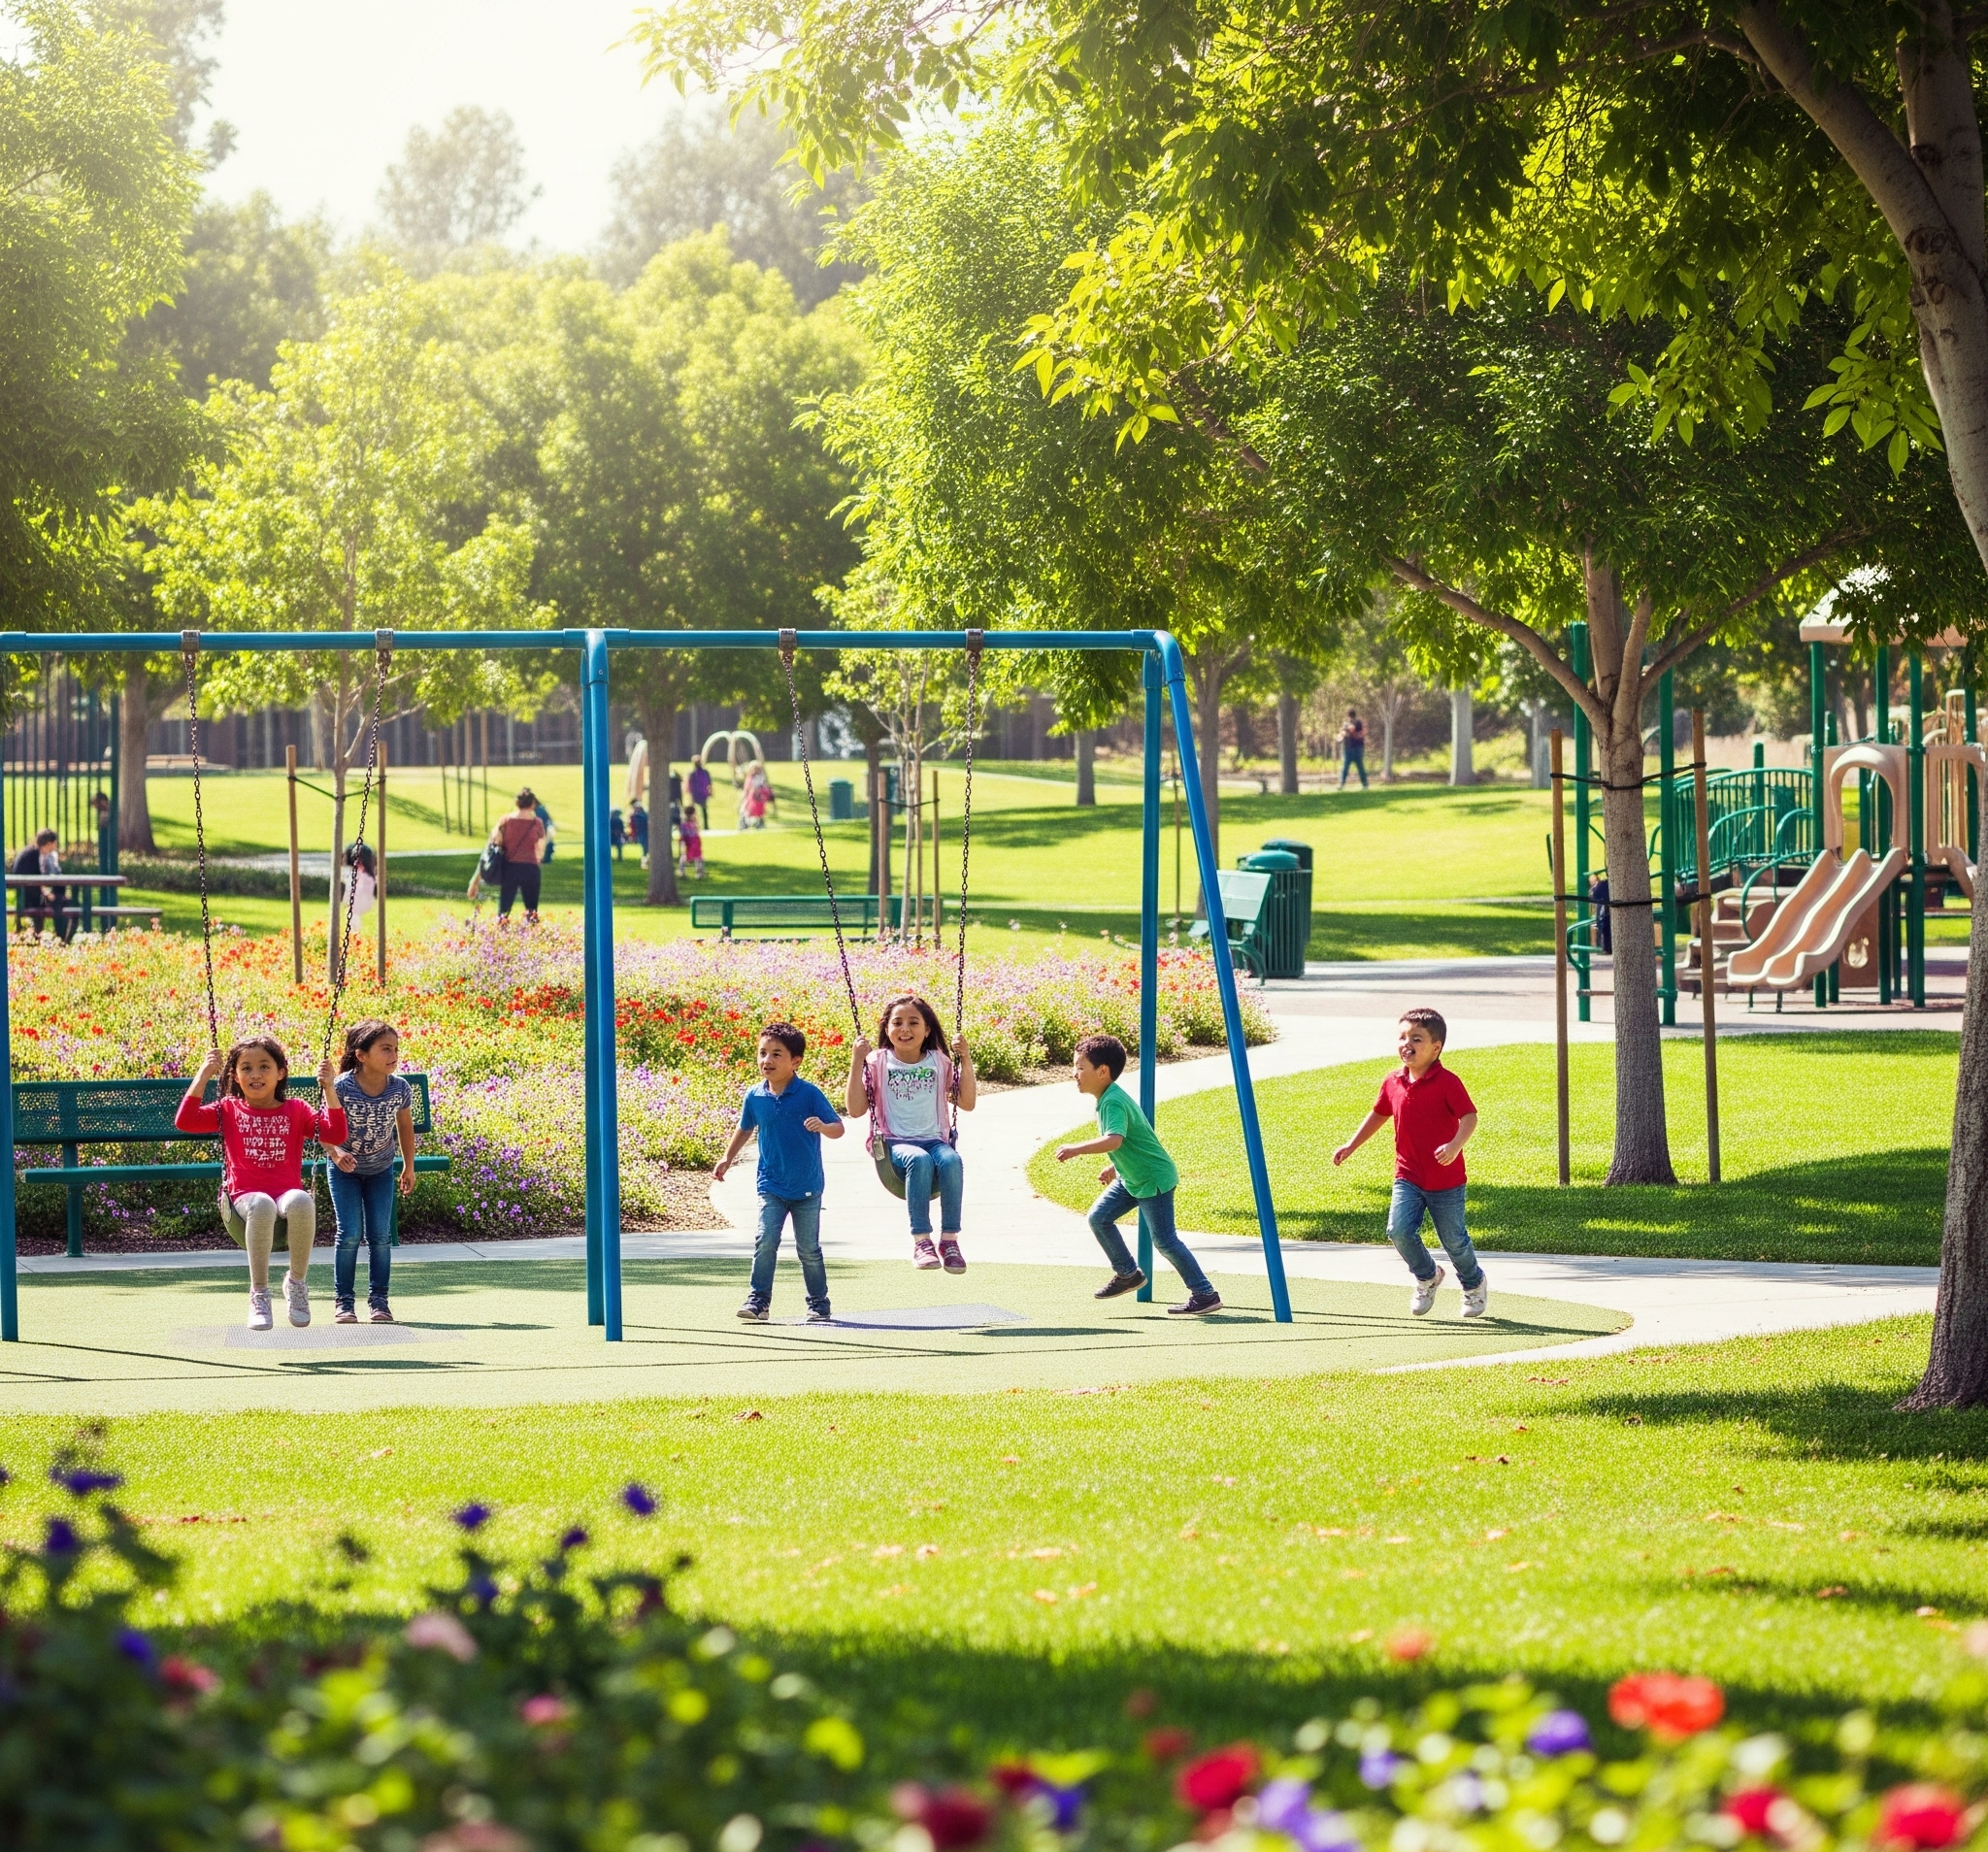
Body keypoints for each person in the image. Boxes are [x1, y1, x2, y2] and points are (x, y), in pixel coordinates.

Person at [175, 1034, 347, 1332]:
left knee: (302, 1200)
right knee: (262, 1204)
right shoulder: (228, 1109)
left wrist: (330, 1088)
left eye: (264, 1066)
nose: (256, 1074)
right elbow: (185, 1121)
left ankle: (296, 1284)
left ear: (280, 1073)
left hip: (285, 1195)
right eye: (247, 1068)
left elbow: (335, 1134)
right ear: (236, 1076)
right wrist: (204, 1073)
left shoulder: (296, 1110)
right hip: (244, 1199)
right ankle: (259, 1293)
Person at [1331, 1007, 1487, 1318]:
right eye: (1402, 1037)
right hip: (1408, 1176)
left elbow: (1469, 1117)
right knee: (1399, 1231)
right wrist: (1352, 1144)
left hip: (1446, 1180)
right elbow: (1379, 1113)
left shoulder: (1447, 1082)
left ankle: (1473, 1284)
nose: (1407, 1044)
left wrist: (1455, 1145)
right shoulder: (1393, 1082)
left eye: (1416, 1038)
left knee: (1454, 1240)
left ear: (1436, 1047)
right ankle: (1428, 1275)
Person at [1056, 1033, 1222, 1315]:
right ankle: (1128, 1274)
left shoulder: (1112, 1102)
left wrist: (1076, 1149)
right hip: (1132, 1176)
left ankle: (1205, 1294)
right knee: (1099, 1217)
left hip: (1151, 1178)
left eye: (1080, 1067)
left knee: (1165, 1241)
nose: (1075, 1074)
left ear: (1103, 1071)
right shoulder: (1109, 1098)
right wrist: (1115, 1165)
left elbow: (1115, 1139)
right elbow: (1132, 1140)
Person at [715, 1021, 845, 1323]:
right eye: (762, 1053)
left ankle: (818, 1302)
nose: (767, 1061)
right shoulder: (755, 1096)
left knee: (808, 1249)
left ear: (795, 1061)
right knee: (765, 1239)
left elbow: (838, 1128)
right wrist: (726, 1158)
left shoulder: (809, 1094)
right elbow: (745, 1127)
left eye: (776, 1054)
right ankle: (759, 1301)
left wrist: (822, 1126)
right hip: (770, 1185)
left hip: (807, 1188)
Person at [845, 993, 976, 1273]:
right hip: (894, 1141)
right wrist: (857, 1061)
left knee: (952, 1160)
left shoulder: (939, 1062)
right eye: (898, 1022)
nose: (905, 1029)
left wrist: (965, 1057)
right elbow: (855, 1110)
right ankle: (922, 1241)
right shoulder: (878, 1061)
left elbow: (966, 1102)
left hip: (934, 1139)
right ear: (887, 1029)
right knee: (918, 1159)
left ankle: (950, 1241)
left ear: (926, 1030)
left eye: (913, 1022)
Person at [322, 1017, 416, 1325]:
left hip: (381, 1169)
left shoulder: (399, 1088)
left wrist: (408, 1166)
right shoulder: (341, 1087)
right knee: (349, 1233)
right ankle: (344, 1303)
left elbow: (404, 1128)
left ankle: (380, 1302)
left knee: (380, 1236)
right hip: (345, 1170)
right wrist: (337, 1154)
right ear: (361, 1055)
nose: (393, 1055)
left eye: (395, 1049)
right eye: (385, 1049)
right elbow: (324, 1130)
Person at [491, 789, 547, 922]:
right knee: (532, 909)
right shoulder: (537, 823)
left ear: (517, 803)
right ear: (532, 804)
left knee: (504, 907)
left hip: (510, 867)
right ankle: (532, 934)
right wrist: (538, 857)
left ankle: (500, 933)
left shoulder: (506, 820)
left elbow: (496, 840)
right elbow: (541, 847)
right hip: (530, 868)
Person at [13, 829, 71, 942]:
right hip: (29, 897)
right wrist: (46, 894)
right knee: (61, 902)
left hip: (31, 895)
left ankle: (59, 936)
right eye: (55, 843)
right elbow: (31, 881)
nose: (55, 846)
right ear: (49, 843)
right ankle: (62, 937)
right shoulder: (32, 855)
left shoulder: (36, 853)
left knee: (61, 901)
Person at [1339, 709, 1369, 789]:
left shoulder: (1357, 723)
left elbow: (1353, 729)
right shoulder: (1347, 724)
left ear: (1348, 715)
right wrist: (1342, 734)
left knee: (1353, 767)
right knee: (1347, 767)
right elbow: (1342, 732)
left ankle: (1364, 785)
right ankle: (1364, 785)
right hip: (1352, 748)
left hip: (1354, 748)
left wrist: (1348, 731)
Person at [678, 800, 705, 877]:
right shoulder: (685, 824)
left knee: (698, 857)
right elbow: (684, 834)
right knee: (687, 856)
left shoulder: (693, 823)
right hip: (690, 842)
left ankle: (699, 871)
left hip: (695, 842)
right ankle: (682, 870)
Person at [687, 754, 712, 831]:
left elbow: (709, 783)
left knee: (703, 810)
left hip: (700, 793)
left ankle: (705, 826)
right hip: (698, 793)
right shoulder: (694, 773)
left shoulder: (702, 773)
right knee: (695, 811)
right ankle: (693, 825)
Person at [534, 796, 557, 862]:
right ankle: (546, 858)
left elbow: (541, 821)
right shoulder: (541, 808)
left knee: (546, 844)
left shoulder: (538, 810)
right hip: (549, 828)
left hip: (546, 828)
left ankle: (545, 858)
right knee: (548, 843)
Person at [629, 798, 649, 866]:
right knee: (645, 847)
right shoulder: (638, 816)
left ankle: (645, 860)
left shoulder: (639, 816)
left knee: (645, 847)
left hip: (644, 833)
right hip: (642, 833)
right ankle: (644, 860)